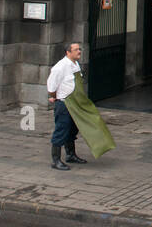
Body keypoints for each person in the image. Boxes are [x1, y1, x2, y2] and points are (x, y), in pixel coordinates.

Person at [47, 42, 116, 170]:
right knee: (61, 130)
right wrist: (55, 96)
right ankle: (55, 160)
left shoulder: (76, 64)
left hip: (77, 103)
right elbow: (51, 86)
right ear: (68, 52)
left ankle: (70, 155)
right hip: (65, 104)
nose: (79, 51)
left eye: (79, 49)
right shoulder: (60, 67)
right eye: (76, 50)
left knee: (73, 129)